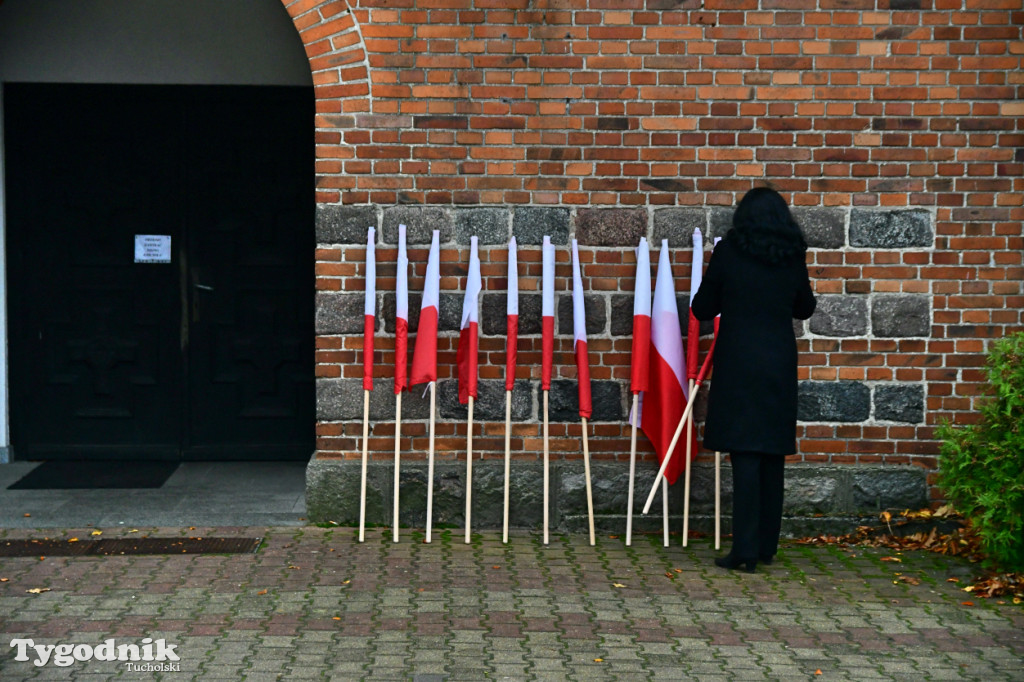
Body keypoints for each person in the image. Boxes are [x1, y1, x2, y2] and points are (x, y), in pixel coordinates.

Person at [691, 187, 816, 573]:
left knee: (744, 451)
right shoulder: (791, 255)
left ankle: (743, 550)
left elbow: (702, 308)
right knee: (771, 451)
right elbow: (805, 307)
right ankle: (765, 545)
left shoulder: (729, 252)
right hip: (779, 359)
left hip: (740, 359)